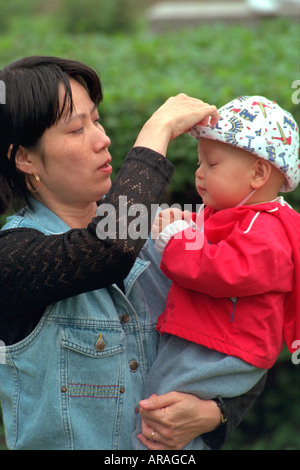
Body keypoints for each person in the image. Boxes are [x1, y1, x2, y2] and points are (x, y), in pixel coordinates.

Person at [0, 55, 266, 450]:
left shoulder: (170, 229)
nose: (101, 138)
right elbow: (106, 250)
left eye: (97, 119)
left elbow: (250, 321)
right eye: (76, 129)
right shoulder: (13, 255)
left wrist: (214, 413)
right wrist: (157, 130)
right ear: (24, 157)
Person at [133, 95, 300, 450]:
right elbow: (215, 237)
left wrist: (175, 240)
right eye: (199, 162)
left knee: (157, 412)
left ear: (258, 173)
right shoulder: (242, 216)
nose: (199, 172)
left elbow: (221, 269)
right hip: (213, 344)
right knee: (161, 412)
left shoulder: (269, 232)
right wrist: (185, 225)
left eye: (211, 163)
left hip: (222, 351)